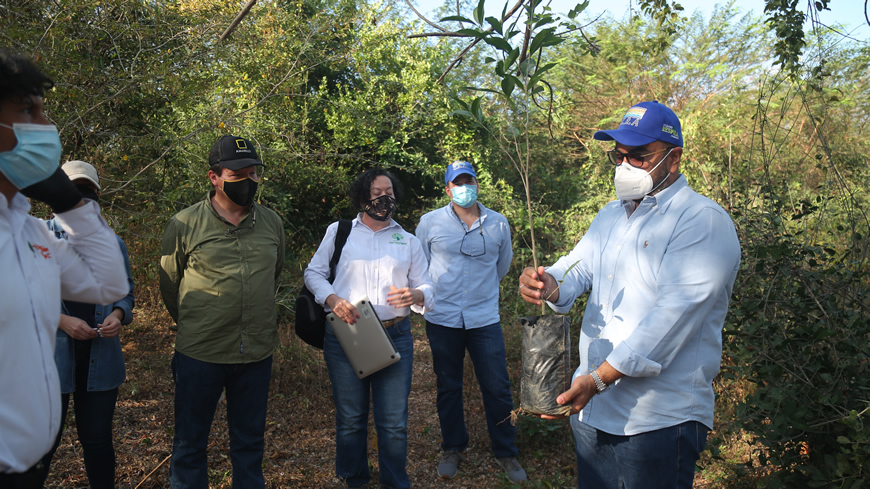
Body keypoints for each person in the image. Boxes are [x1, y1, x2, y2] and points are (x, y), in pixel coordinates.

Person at [519, 101, 741, 489]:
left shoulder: (700, 220)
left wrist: (598, 379)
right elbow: (578, 267)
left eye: (638, 156)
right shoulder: (611, 214)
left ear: (674, 158)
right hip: (594, 412)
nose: (625, 166)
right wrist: (549, 281)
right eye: (618, 156)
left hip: (658, 418)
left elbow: (671, 319)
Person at [0, 49, 128, 489]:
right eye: (27, 111)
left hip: (26, 469)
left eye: (43, 110)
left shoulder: (31, 231)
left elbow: (109, 282)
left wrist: (70, 203)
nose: (45, 124)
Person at [159, 135, 285, 489]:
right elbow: (170, 285)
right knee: (189, 444)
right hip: (201, 353)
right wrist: (200, 323)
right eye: (238, 174)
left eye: (253, 172)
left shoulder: (271, 223)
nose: (249, 180)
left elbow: (273, 274)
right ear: (214, 177)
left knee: (250, 444)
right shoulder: (184, 224)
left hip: (255, 353)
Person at [304, 168, 433, 489]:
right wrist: (332, 299)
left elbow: (427, 285)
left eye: (389, 193)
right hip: (348, 334)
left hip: (395, 335)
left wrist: (418, 295)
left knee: (393, 423)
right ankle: (354, 479)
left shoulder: (408, 240)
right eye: (377, 193)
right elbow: (314, 273)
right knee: (351, 418)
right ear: (363, 198)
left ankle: (394, 482)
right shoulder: (340, 231)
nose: (384, 199)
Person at [415, 161, 525, 483]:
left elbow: (502, 266)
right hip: (443, 317)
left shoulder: (498, 223)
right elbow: (420, 265)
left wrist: (481, 292)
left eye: (469, 181)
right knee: (448, 386)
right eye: (458, 183)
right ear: (448, 190)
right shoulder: (430, 222)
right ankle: (453, 447)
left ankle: (506, 451)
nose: (465, 188)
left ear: (477, 184)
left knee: (497, 386)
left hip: (484, 318)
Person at [39, 160, 136, 489]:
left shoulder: (113, 244)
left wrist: (118, 315)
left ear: (97, 196)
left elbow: (126, 294)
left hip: (100, 361)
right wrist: (62, 321)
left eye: (86, 190)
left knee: (97, 441)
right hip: (48, 364)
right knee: (41, 444)